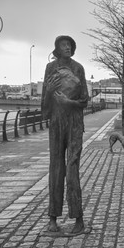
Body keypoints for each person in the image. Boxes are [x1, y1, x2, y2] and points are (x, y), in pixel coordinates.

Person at [41, 35, 89, 234]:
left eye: (69, 44)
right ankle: (53, 218)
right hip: (57, 123)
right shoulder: (50, 69)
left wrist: (69, 103)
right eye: (63, 45)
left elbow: (85, 101)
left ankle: (78, 219)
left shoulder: (78, 68)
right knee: (56, 168)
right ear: (57, 48)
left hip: (75, 123)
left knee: (72, 169)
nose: (67, 47)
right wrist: (48, 92)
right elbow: (44, 108)